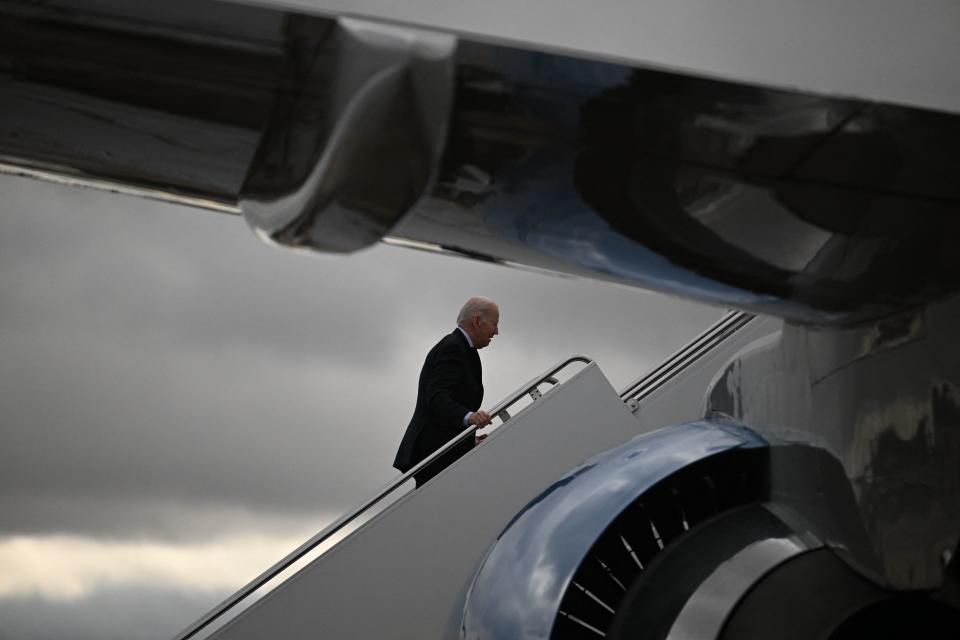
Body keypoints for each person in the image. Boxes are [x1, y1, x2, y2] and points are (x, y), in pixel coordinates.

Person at [393, 297, 500, 487]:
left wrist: (468, 440)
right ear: (477, 321)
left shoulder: (465, 350)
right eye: (494, 324)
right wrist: (471, 417)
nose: (497, 332)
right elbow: (436, 399)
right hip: (433, 453)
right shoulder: (452, 347)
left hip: (442, 449)